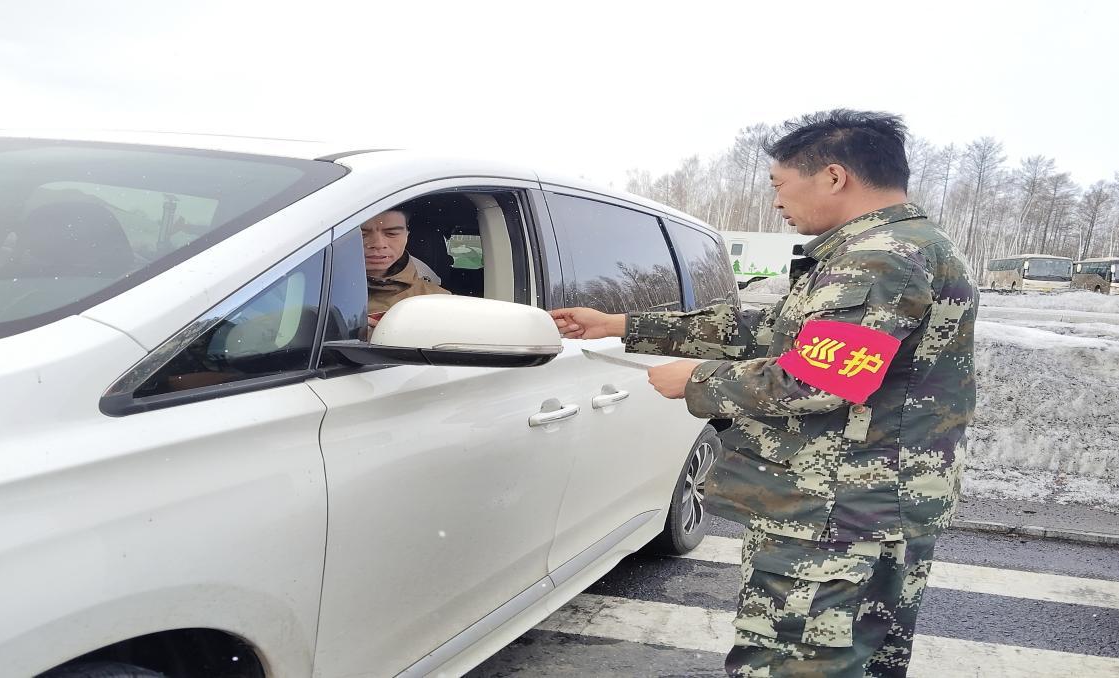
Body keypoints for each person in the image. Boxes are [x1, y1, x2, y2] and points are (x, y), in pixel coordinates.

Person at [551, 110, 977, 677]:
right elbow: (776, 334)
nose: (777, 201)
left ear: (833, 176)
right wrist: (623, 324)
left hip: (837, 511)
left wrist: (696, 380)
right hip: (869, 505)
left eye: (780, 184)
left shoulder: (878, 258)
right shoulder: (905, 245)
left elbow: (818, 378)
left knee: (794, 662)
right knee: (856, 662)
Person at [362, 209, 449, 326]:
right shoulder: (335, 290)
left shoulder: (437, 302)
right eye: (362, 234)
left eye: (391, 233)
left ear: (407, 235)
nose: (378, 244)